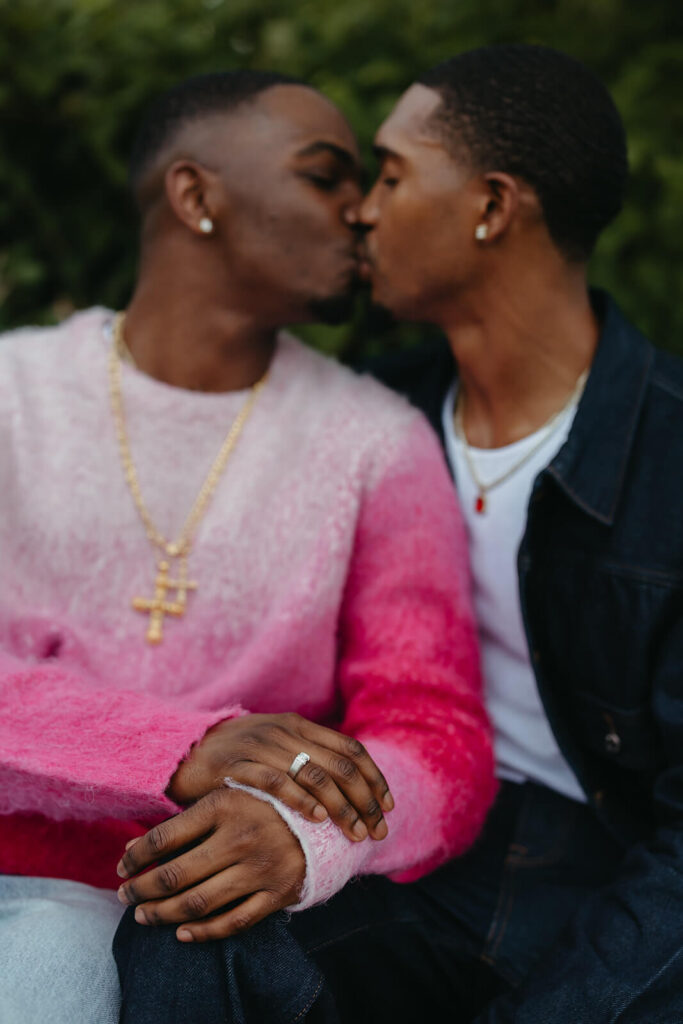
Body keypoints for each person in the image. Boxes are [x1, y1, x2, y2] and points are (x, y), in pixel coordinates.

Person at [0, 71, 496, 1024]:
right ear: (196, 197)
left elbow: (439, 736)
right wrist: (180, 747)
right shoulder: (17, 397)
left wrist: (305, 830)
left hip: (212, 935)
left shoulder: (378, 444)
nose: (362, 213)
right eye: (324, 176)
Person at [355, 42, 683, 1022]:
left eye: (391, 173)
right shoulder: (376, 421)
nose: (362, 210)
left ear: (492, 207)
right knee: (195, 941)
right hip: (426, 836)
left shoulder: (665, 451)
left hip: (618, 868)